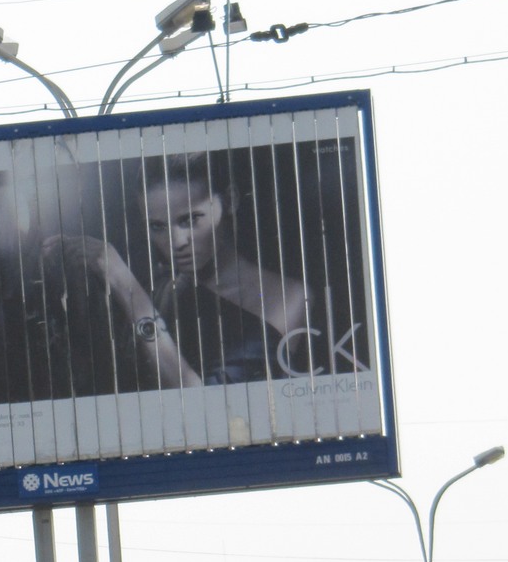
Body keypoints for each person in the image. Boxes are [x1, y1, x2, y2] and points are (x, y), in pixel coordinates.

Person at [42, 153, 318, 391]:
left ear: (230, 200)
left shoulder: (289, 296)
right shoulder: (163, 289)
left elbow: (207, 406)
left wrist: (121, 280)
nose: (176, 242)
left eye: (190, 219)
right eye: (158, 227)